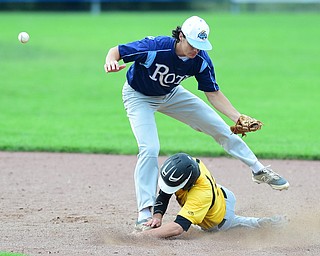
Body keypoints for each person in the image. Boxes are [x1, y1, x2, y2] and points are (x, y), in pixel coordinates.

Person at [104, 15, 289, 231]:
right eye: (193, 44)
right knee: (150, 148)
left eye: (201, 45)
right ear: (181, 36)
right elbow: (116, 50)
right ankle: (144, 212)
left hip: (171, 94)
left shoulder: (200, 60)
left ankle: (258, 170)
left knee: (221, 128)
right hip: (138, 96)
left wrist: (237, 117)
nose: (196, 50)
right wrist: (111, 61)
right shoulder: (156, 47)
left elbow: (213, 93)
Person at [137, 153, 287, 238]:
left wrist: (143, 237)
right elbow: (164, 194)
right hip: (221, 193)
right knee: (207, 197)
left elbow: (178, 227)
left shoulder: (200, 194)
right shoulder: (188, 165)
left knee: (235, 224)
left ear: (188, 182)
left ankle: (265, 223)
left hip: (220, 218)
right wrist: (157, 217)